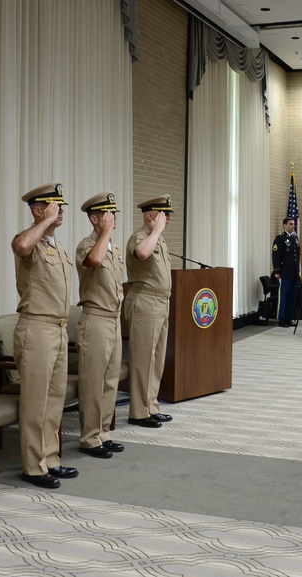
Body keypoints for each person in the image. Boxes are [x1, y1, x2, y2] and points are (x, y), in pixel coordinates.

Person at [10, 183, 79, 489]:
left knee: (54, 401)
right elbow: (22, 247)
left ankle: (50, 458)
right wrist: (42, 224)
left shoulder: (57, 246)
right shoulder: (29, 240)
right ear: (38, 210)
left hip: (58, 328)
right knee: (35, 401)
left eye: (61, 206)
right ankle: (32, 465)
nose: (60, 211)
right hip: (36, 328)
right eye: (53, 206)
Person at [75, 192, 126, 458]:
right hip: (95, 318)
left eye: (114, 214)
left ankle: (103, 433)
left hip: (113, 319)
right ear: (95, 218)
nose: (113, 218)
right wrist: (104, 233)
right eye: (108, 214)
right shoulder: (87, 245)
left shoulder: (114, 248)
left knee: (109, 381)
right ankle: (89, 437)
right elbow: (93, 261)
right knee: (93, 382)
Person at [124, 195, 174, 429]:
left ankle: (151, 405)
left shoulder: (159, 239)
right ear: (150, 216)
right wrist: (156, 232)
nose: (169, 219)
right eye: (164, 215)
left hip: (161, 303)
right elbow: (142, 254)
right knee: (143, 358)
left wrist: (158, 233)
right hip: (145, 302)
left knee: (156, 359)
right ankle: (138, 411)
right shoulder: (140, 237)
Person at [272, 217, 300, 328]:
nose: (293, 226)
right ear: (284, 225)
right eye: (290, 224)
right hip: (284, 272)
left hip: (293, 272)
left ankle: (289, 317)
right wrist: (277, 271)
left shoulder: (294, 238)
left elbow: (296, 256)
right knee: (283, 297)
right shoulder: (280, 238)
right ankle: (282, 318)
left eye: (293, 224)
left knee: (292, 296)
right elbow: (276, 255)